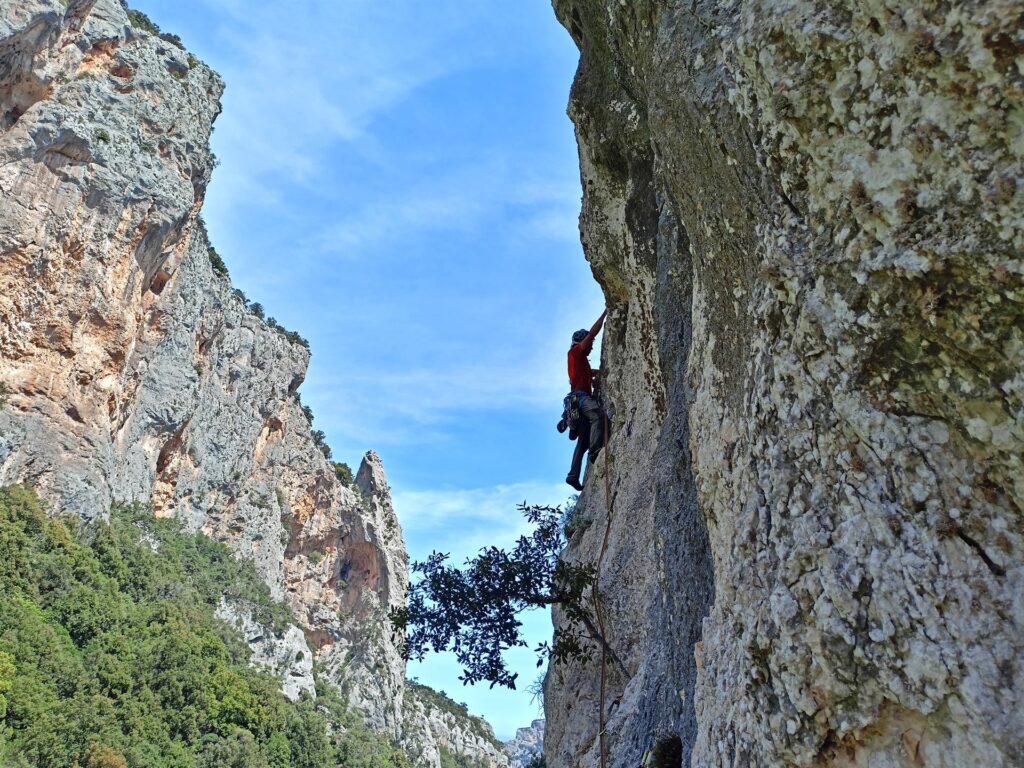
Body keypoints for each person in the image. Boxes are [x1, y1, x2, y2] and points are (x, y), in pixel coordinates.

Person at [565, 309, 607, 491]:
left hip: (576, 401)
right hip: (580, 399)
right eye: (588, 344)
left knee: (582, 440)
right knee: (598, 415)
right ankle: (595, 451)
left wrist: (604, 372)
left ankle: (573, 475)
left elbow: (592, 375)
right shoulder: (575, 353)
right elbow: (592, 333)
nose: (591, 347)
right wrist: (605, 313)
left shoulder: (580, 361)